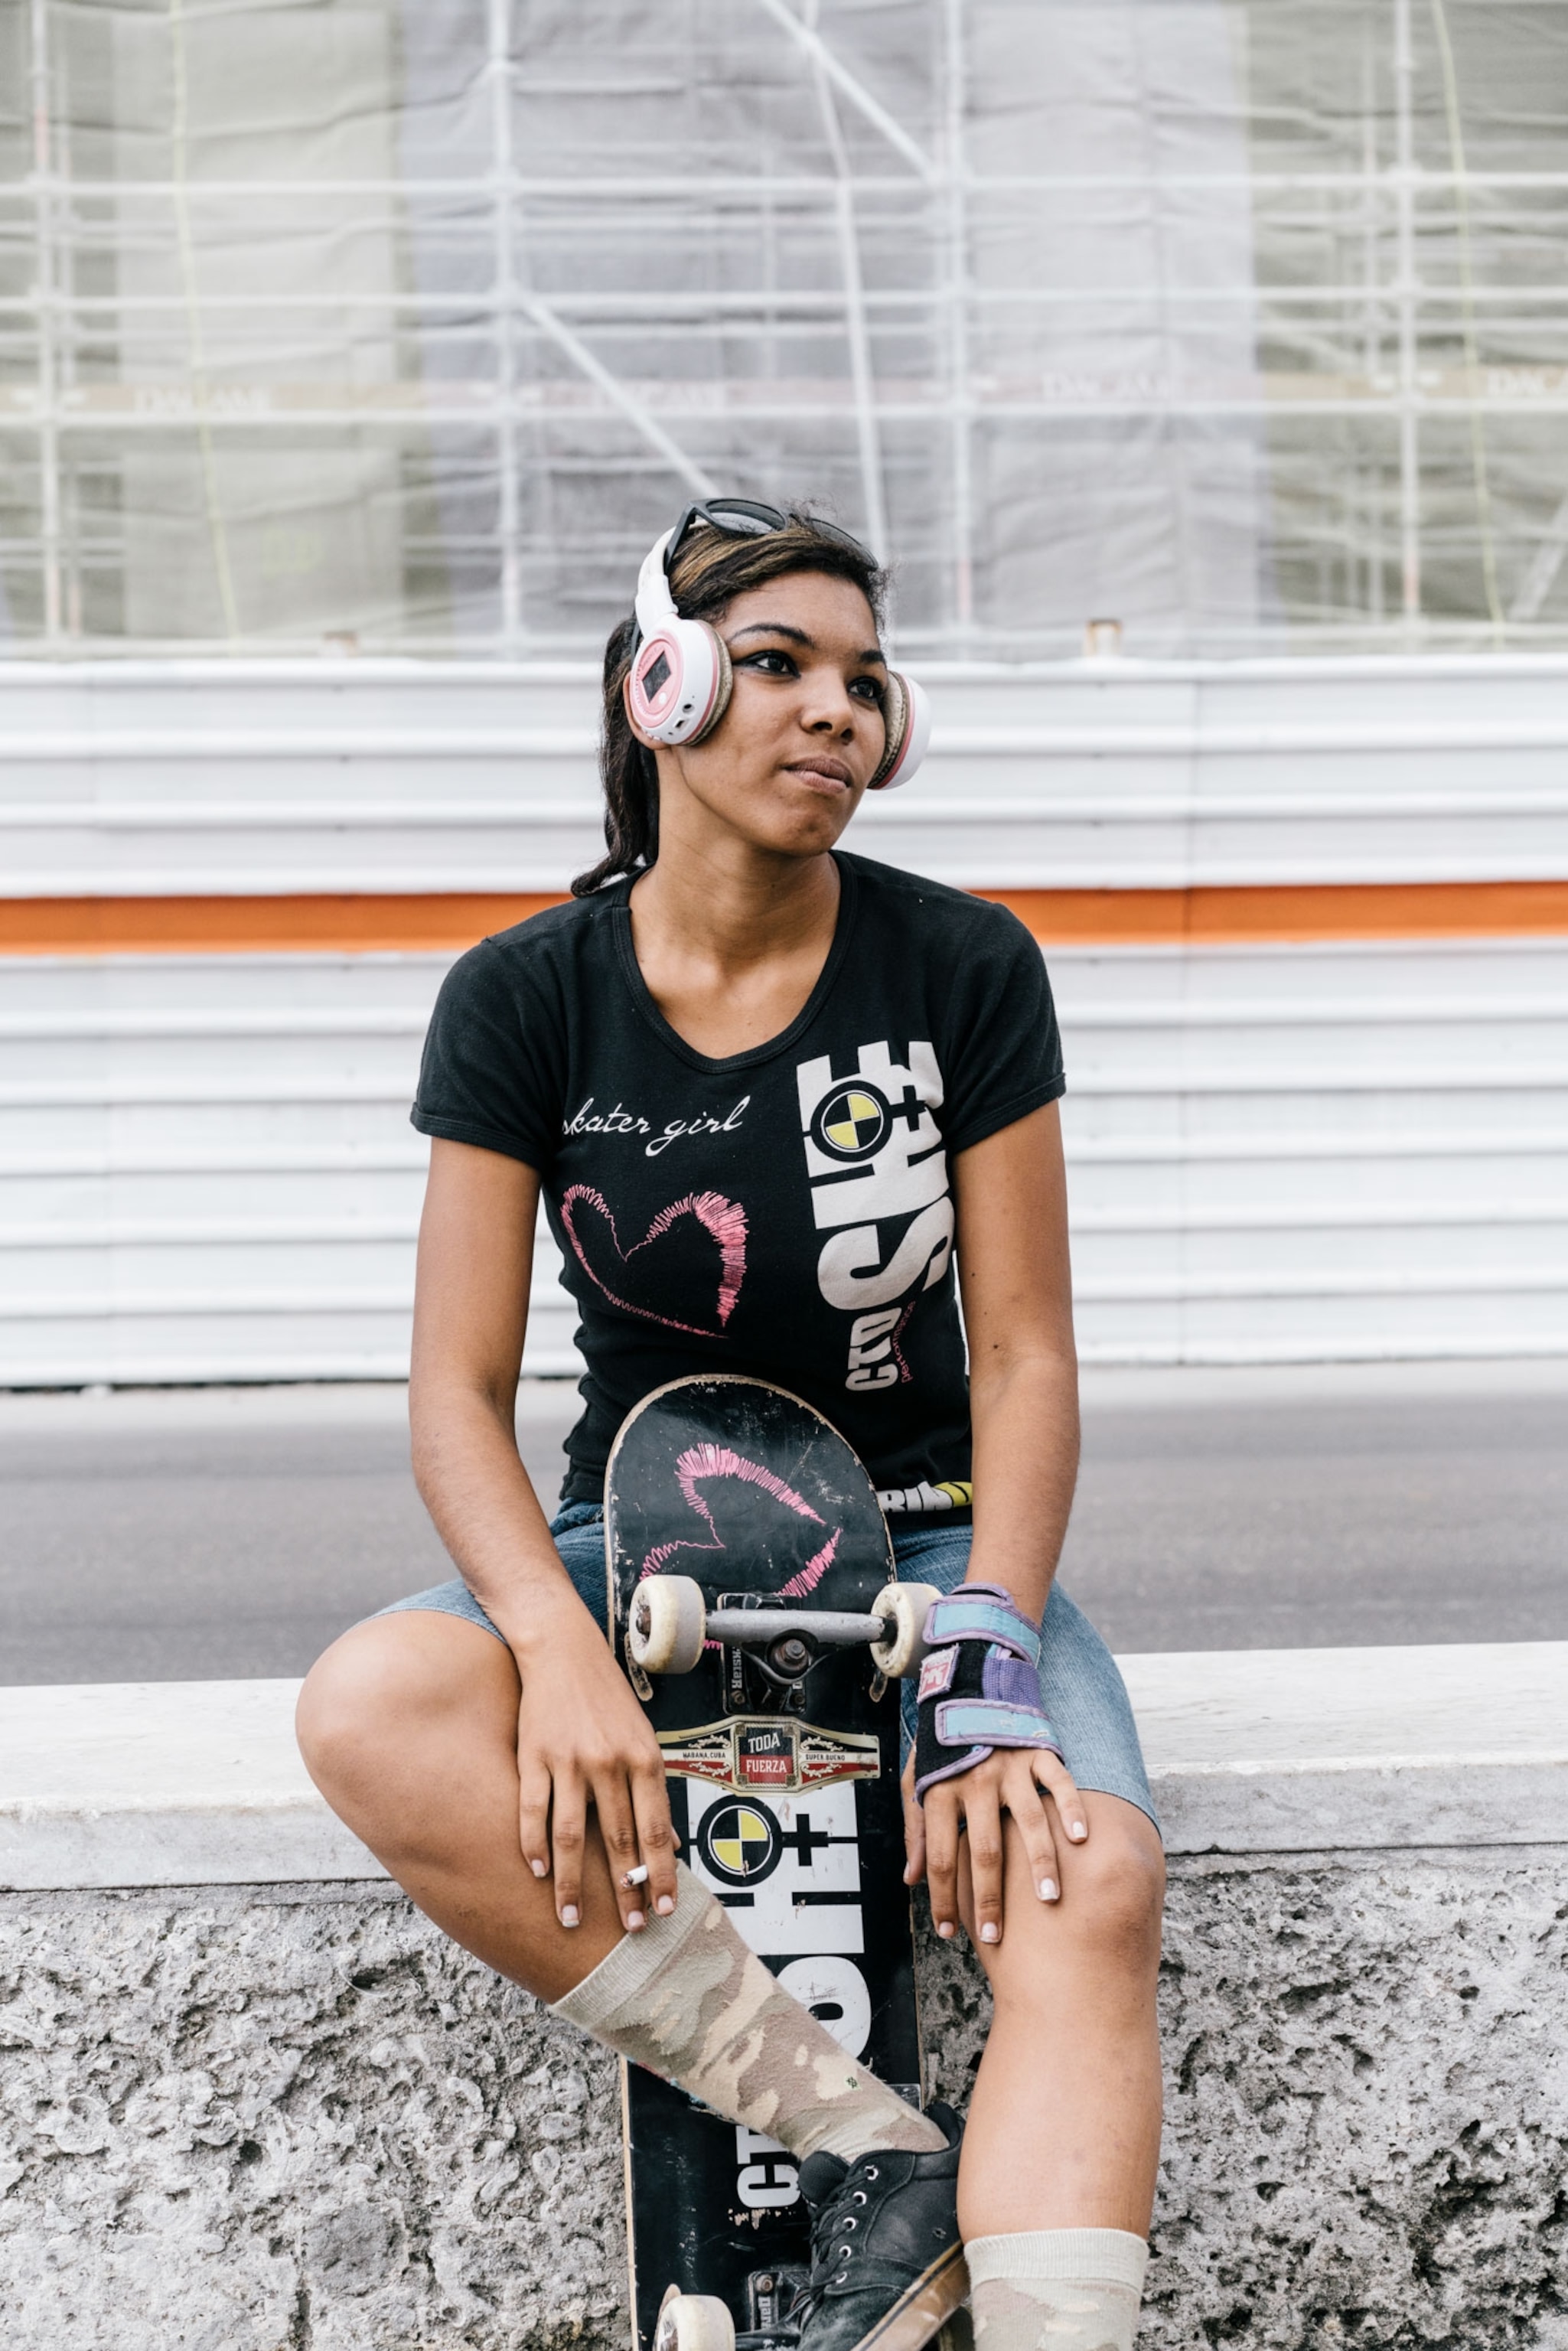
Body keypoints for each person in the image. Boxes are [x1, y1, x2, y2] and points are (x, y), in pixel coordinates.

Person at [297, 501, 1165, 2351]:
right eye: (774, 665)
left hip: (928, 1531)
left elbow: (1023, 1356)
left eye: (863, 680)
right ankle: (867, 2152)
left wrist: (992, 1649)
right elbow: (453, 1390)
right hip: (652, 1536)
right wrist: (554, 1641)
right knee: (372, 1707)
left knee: (1086, 1891)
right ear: (660, 689)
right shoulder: (527, 996)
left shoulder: (960, 969)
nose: (832, 712)